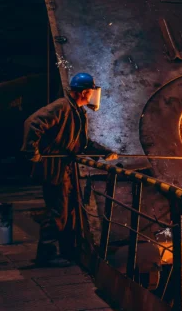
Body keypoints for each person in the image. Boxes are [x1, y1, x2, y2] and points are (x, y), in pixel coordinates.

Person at [21, 73, 118, 267]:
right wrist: (32, 151)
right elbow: (32, 123)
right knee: (57, 211)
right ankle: (47, 255)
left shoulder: (77, 111)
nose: (92, 96)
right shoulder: (62, 107)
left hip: (65, 167)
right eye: (90, 91)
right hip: (55, 168)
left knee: (69, 210)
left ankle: (67, 251)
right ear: (83, 92)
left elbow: (80, 144)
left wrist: (103, 152)